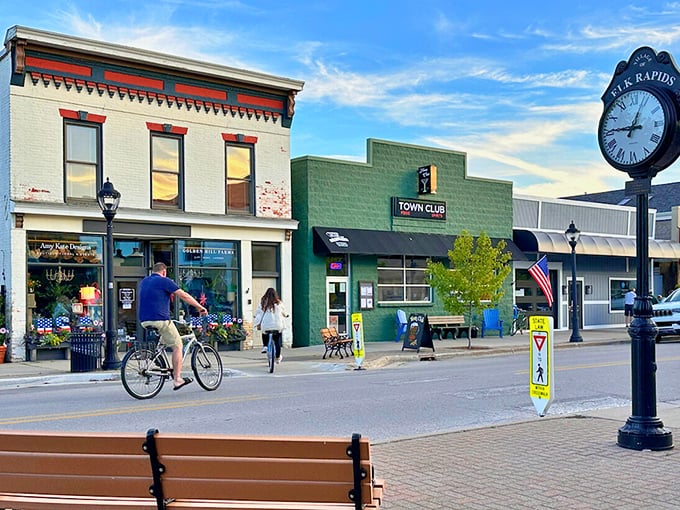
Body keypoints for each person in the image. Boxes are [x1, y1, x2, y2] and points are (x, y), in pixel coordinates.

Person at [139, 262, 208, 390]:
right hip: (160, 319)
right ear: (164, 272)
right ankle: (177, 379)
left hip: (144, 320)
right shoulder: (164, 281)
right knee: (177, 346)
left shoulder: (144, 281)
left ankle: (160, 364)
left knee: (165, 342)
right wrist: (200, 307)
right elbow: (184, 295)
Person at [254, 287, 289, 363]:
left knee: (264, 333)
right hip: (277, 325)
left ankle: (265, 346)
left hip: (266, 325)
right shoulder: (279, 303)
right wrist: (286, 315)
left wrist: (257, 321)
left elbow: (258, 313)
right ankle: (277, 357)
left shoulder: (263, 303)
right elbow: (284, 312)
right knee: (277, 341)